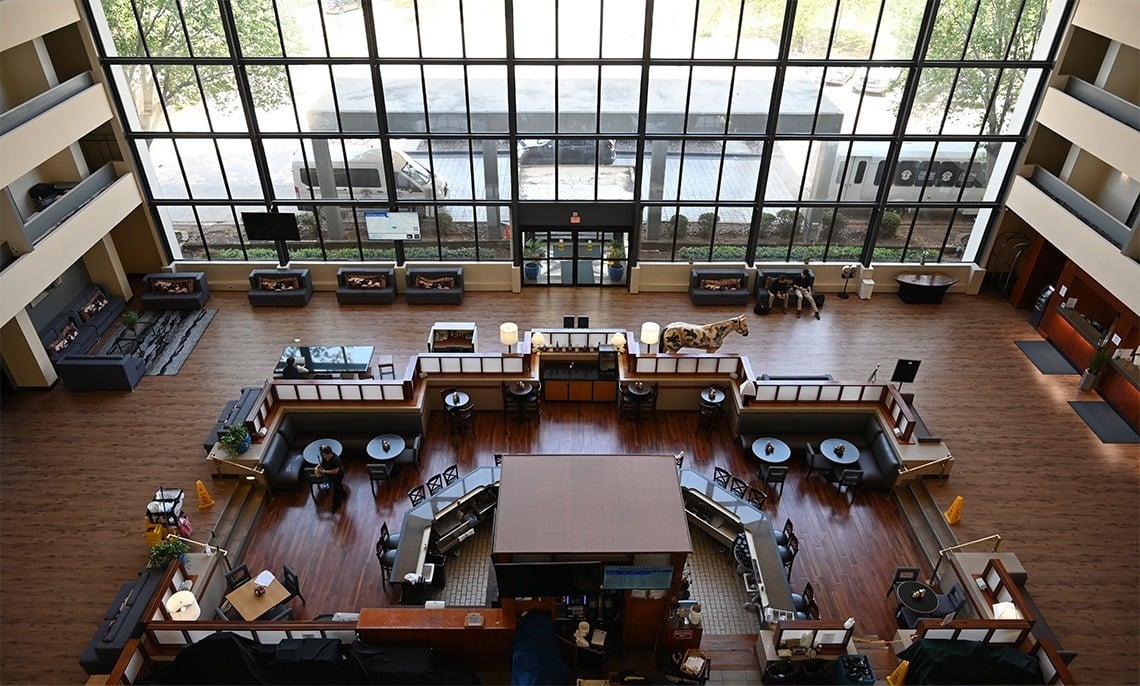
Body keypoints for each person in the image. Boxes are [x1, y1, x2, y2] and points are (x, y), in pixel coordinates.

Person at [317, 444, 347, 511]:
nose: (324, 457)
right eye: (323, 455)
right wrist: (319, 465)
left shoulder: (336, 459)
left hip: (338, 475)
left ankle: (336, 506)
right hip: (329, 474)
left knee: (336, 490)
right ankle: (343, 494)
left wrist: (324, 471)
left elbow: (335, 471)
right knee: (338, 486)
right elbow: (322, 461)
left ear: (330, 453)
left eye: (325, 455)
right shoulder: (324, 456)